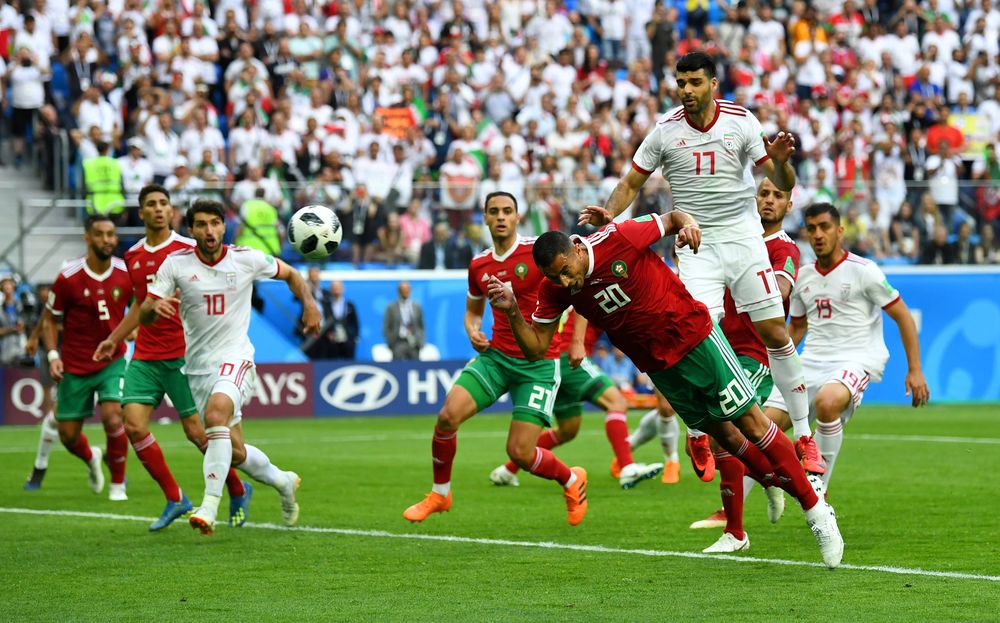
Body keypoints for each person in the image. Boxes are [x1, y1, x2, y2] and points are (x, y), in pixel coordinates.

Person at [488, 212, 844, 568]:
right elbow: (536, 348)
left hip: (695, 340)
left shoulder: (619, 238)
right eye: (555, 276)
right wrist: (513, 312)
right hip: (660, 368)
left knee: (750, 422)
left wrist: (689, 225)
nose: (564, 282)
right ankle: (789, 491)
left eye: (566, 270)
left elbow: (673, 217)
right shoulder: (554, 289)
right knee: (726, 438)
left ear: (578, 249)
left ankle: (817, 515)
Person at [579, 51, 820, 484]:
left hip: (744, 239)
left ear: (713, 84)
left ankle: (804, 436)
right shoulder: (665, 130)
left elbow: (783, 184)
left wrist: (781, 161)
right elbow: (632, 182)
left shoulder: (741, 120)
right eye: (680, 82)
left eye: (694, 82)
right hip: (695, 243)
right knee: (694, 338)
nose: (686, 90)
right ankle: (696, 432)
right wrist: (609, 216)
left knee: (775, 333)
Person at [402, 191, 589, 527]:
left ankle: (571, 480)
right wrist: (473, 330)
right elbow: (472, 312)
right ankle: (440, 493)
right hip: (497, 358)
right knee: (447, 417)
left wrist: (577, 340)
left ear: (517, 217)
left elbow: (579, 289)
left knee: (519, 452)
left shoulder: (538, 254)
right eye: (494, 212)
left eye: (507, 211)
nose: (501, 216)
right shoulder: (479, 264)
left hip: (539, 364)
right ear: (485, 219)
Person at [140, 200, 321, 535]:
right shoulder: (175, 265)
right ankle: (283, 481)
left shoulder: (246, 258)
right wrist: (155, 307)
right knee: (234, 451)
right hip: (197, 368)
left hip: (235, 358)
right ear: (191, 230)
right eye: (201, 225)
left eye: (215, 224)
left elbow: (293, 274)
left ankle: (209, 505)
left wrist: (309, 305)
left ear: (224, 227)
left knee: (214, 417)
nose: (209, 231)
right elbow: (146, 312)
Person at [92, 185, 251, 531]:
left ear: (172, 212)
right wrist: (114, 338)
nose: (159, 209)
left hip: (185, 355)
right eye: (151, 204)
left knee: (199, 434)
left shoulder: (187, 249)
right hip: (146, 354)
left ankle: (238, 488)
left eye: (164, 203)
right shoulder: (132, 256)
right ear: (142, 212)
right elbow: (139, 303)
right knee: (131, 424)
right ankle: (176, 497)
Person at [766, 203, 929, 492]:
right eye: (812, 228)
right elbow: (797, 327)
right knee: (764, 426)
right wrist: (777, 364)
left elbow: (902, 315)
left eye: (825, 227)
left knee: (828, 402)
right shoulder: (803, 276)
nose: (818, 234)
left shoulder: (865, 271)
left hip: (857, 358)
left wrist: (915, 369)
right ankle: (731, 511)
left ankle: (818, 488)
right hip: (812, 361)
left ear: (840, 230)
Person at [489, 309, 664, 489]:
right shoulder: (594, 294)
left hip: (553, 362)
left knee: (568, 430)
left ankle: (507, 471)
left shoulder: (569, 292)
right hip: (571, 358)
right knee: (616, 402)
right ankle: (627, 467)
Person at [37, 215, 132, 500]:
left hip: (112, 361)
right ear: (87, 238)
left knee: (114, 418)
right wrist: (53, 355)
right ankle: (92, 458)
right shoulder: (68, 277)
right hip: (75, 365)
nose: (107, 240)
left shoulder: (125, 272)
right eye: (100, 234)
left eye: (111, 234)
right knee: (67, 434)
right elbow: (50, 320)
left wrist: (135, 328)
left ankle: (118, 484)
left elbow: (141, 306)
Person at [23, 282, 59, 490]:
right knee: (59, 422)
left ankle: (116, 474)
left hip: (105, 360)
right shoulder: (69, 286)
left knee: (114, 417)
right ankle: (40, 466)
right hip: (68, 357)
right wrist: (36, 336)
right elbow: (48, 318)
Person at [383, 281, 425, 360]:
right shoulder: (391, 307)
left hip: (414, 342)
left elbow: (421, 325)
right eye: (403, 289)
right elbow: (386, 326)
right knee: (398, 366)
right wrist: (390, 342)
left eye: (407, 289)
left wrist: (421, 341)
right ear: (399, 291)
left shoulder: (416, 307)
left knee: (415, 366)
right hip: (398, 342)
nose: (405, 291)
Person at [319, 280, 358, 359]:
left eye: (338, 287)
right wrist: (328, 333)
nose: (336, 290)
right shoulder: (325, 305)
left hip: (347, 340)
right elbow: (322, 321)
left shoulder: (349, 305)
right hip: (330, 342)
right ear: (331, 290)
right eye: (334, 288)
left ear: (342, 289)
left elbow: (355, 323)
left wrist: (354, 338)